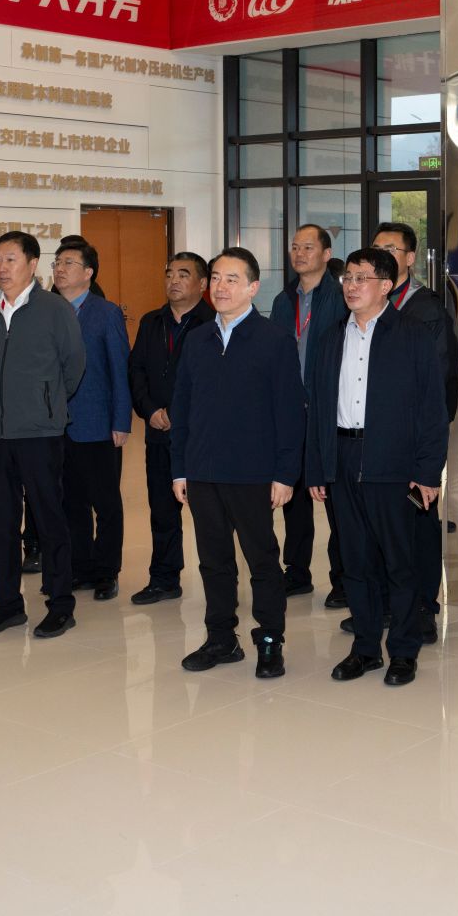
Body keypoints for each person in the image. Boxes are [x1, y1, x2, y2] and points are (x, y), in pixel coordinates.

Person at [305, 248, 447, 686]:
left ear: (385, 285)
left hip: (393, 461)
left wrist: (428, 471)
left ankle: (403, 650)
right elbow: (316, 406)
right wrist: (317, 468)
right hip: (342, 457)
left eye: (361, 278)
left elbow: (432, 408)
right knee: (356, 561)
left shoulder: (412, 334)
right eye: (347, 277)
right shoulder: (330, 336)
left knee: (400, 564)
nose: (351, 286)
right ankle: (365, 649)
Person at [169, 247, 304, 679]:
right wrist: (180, 468)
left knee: (261, 560)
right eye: (215, 278)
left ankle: (270, 640)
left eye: (232, 279)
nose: (221, 287)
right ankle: (220, 638)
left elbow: (290, 413)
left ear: (252, 288)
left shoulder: (274, 340)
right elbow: (182, 409)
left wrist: (285, 474)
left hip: (253, 472)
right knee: (213, 561)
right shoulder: (197, 339)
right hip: (203, 472)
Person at [0, 231, 85, 638]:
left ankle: (61, 603)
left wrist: (47, 404)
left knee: (49, 518)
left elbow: (73, 366)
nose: (2, 267)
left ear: (33, 264)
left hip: (39, 433)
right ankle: (7, 604)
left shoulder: (55, 309)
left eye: (11, 259)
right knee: (1, 522)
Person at [372, 221, 458, 643]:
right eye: (377, 248)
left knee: (419, 521)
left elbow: (438, 381)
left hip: (413, 439)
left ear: (410, 258)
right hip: (372, 440)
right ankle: (387, 603)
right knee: (379, 522)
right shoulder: (365, 303)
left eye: (391, 248)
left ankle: (424, 606)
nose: (383, 254)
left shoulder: (427, 309)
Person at [128, 252, 214, 605]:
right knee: (162, 511)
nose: (173, 280)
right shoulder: (152, 321)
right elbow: (136, 370)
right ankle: (164, 579)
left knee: (210, 517)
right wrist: (149, 410)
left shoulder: (213, 324)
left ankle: (219, 585)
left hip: (200, 437)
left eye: (183, 274)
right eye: (169, 274)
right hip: (158, 433)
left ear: (202, 283)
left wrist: (177, 413)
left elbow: (212, 381)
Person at [269, 223, 347, 600]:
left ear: (326, 254)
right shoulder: (283, 300)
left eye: (308, 247)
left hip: (327, 412)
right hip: (290, 411)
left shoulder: (341, 297)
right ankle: (297, 572)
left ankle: (343, 579)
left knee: (335, 500)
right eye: (295, 247)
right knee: (294, 496)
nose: (299, 254)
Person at [52, 237, 131, 602]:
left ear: (88, 273)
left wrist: (121, 421)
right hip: (55, 425)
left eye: (68, 263)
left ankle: (106, 571)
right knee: (70, 502)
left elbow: (119, 369)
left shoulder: (106, 312)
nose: (60, 269)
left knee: (106, 503)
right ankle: (80, 567)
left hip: (97, 423)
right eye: (57, 263)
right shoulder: (47, 310)